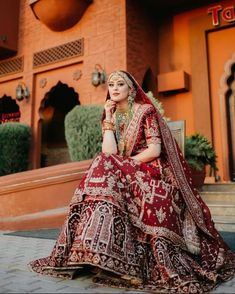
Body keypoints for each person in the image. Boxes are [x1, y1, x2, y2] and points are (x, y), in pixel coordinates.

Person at [28, 70, 235, 293]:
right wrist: (108, 120)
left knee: (104, 166)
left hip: (151, 169)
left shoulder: (145, 111)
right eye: (111, 85)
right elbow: (109, 153)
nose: (114, 88)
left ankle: (104, 249)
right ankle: (99, 251)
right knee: (103, 164)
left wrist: (124, 165)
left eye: (120, 84)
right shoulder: (112, 116)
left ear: (131, 89)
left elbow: (155, 150)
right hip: (123, 171)